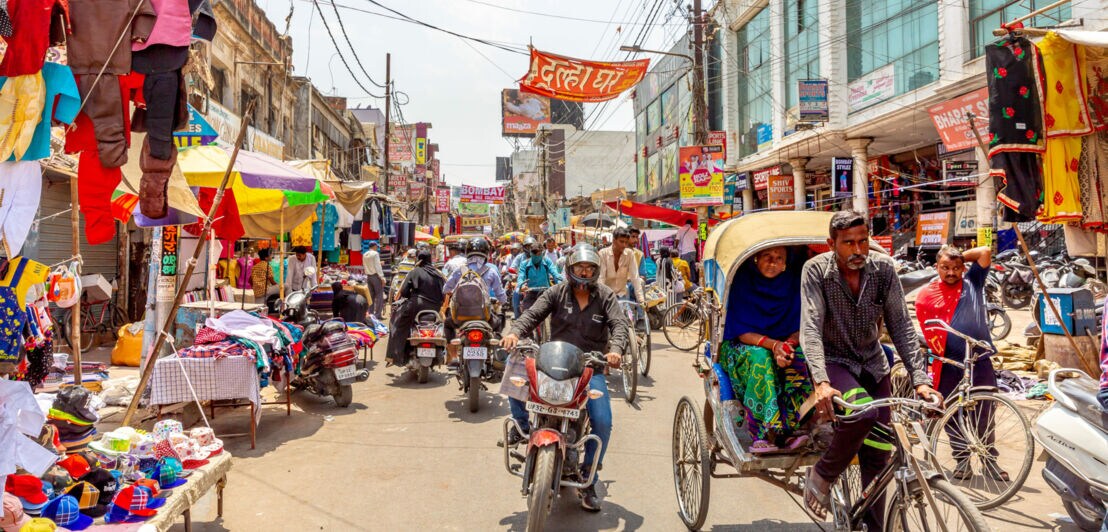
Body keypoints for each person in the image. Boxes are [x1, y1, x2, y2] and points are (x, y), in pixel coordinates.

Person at [800, 210, 939, 527]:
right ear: (831, 244)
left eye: (863, 241)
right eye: (848, 243)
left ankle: (874, 526)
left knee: (878, 454)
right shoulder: (816, 272)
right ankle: (822, 474)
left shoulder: (883, 270)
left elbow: (901, 326)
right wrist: (820, 381)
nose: (858, 250)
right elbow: (810, 329)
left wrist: (921, 381)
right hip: (834, 362)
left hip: (874, 364)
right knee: (863, 413)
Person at [500, 245, 629, 512]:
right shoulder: (556, 292)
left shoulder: (605, 296)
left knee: (603, 422)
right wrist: (514, 333)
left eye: (590, 267)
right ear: (570, 269)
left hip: (589, 368)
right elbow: (532, 315)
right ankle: (523, 429)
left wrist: (615, 350)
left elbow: (619, 325)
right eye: (580, 267)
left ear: (595, 271)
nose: (585, 271)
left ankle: (589, 477)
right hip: (553, 364)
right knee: (516, 379)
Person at [915, 245, 1007, 481]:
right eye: (945, 267)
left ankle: (989, 460)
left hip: (979, 359)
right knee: (952, 414)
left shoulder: (973, 282)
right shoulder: (926, 294)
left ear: (963, 268)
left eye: (956, 268)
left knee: (985, 412)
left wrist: (956, 256)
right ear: (936, 267)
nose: (951, 272)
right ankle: (962, 460)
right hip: (947, 362)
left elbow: (985, 252)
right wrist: (948, 257)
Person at [720, 246, 812, 453]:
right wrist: (775, 346)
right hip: (743, 346)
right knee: (762, 358)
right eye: (767, 257)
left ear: (786, 263)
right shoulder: (743, 282)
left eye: (779, 258)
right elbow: (743, 332)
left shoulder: (792, 283)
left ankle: (791, 429)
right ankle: (761, 432)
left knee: (799, 357)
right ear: (756, 259)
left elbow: (801, 326)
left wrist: (787, 346)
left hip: (781, 342)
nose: (773, 263)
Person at [442, 238, 508, 365]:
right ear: (486, 254)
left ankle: (454, 356)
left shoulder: (459, 270)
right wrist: (502, 302)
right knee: (499, 320)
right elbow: (501, 295)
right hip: (484, 317)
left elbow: (446, 289)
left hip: (460, 317)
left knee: (447, 324)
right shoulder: (491, 271)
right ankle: (496, 353)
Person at [386, 247, 446, 366]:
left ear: (418, 259)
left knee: (397, 323)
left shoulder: (414, 272)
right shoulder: (439, 274)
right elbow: (443, 293)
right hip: (435, 308)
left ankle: (394, 357)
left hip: (416, 306)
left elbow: (404, 291)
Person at [598, 227, 645, 304]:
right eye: (621, 241)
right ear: (614, 241)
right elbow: (601, 279)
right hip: (606, 296)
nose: (624, 245)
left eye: (626, 242)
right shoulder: (603, 254)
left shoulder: (629, 254)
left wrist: (641, 300)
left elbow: (635, 278)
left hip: (622, 295)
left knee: (628, 314)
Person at [518, 239, 562, 314]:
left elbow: (555, 273)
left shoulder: (547, 261)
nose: (537, 255)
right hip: (531, 293)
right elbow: (521, 277)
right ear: (531, 253)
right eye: (535, 253)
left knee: (556, 312)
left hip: (546, 292)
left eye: (539, 253)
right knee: (526, 315)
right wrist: (521, 285)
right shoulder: (524, 264)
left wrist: (561, 282)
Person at [362, 241, 385, 320]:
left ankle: (370, 313)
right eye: (377, 246)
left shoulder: (365, 254)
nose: (377, 248)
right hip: (375, 276)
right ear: (374, 246)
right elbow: (377, 267)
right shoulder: (375, 254)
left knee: (371, 296)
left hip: (369, 276)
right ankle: (378, 315)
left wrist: (379, 263)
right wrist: (382, 278)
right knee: (379, 296)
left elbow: (367, 265)